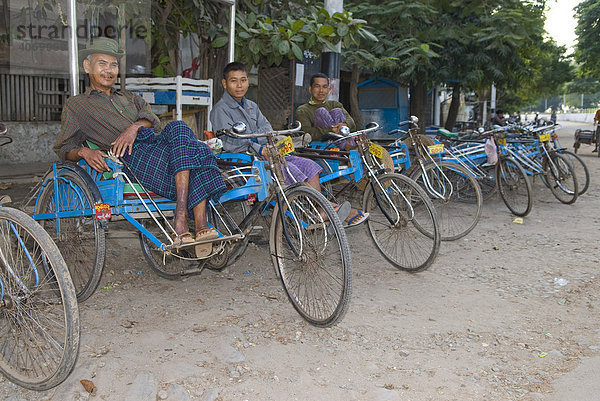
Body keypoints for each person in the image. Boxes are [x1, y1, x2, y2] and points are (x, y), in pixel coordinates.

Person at [54, 37, 225, 256]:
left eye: (113, 64)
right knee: (197, 151)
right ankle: (197, 223)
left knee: (180, 128)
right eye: (102, 63)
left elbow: (152, 120)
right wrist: (83, 151)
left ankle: (182, 216)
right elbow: (64, 147)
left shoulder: (129, 97)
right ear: (87, 67)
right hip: (129, 155)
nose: (109, 70)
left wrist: (133, 128)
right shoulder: (77, 105)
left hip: (152, 141)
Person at [210, 62, 368, 227]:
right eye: (234, 81)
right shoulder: (220, 110)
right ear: (224, 83)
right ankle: (326, 207)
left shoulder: (251, 106)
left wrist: (269, 145)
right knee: (290, 170)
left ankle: (320, 209)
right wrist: (259, 148)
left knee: (309, 166)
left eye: (243, 80)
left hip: (267, 154)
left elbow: (266, 129)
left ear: (248, 81)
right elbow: (230, 142)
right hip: (244, 159)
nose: (239, 85)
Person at [296, 73, 356, 143]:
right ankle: (347, 145)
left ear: (328, 90)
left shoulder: (335, 104)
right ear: (310, 89)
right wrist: (331, 130)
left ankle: (346, 145)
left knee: (337, 111)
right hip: (321, 145)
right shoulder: (302, 110)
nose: (321, 90)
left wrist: (343, 125)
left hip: (342, 140)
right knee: (321, 111)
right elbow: (307, 133)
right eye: (317, 86)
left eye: (324, 87)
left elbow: (351, 122)